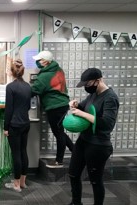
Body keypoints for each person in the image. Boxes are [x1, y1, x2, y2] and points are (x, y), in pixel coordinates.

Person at [68, 68, 119, 205]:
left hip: (98, 145)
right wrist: (76, 104)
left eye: (88, 84)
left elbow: (107, 124)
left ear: (99, 80)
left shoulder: (110, 98)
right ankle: (76, 203)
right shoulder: (93, 94)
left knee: (95, 180)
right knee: (73, 173)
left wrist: (81, 114)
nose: (86, 87)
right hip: (84, 140)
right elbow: (84, 106)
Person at [31, 50, 73, 168]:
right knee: (60, 131)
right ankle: (76, 152)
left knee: (58, 133)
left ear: (45, 62)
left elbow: (35, 90)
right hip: (62, 104)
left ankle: (59, 161)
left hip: (55, 106)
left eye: (38, 60)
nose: (37, 62)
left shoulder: (45, 75)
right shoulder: (58, 70)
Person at [3, 60, 31, 192]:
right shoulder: (28, 86)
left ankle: (16, 185)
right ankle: (23, 183)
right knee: (23, 151)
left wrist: (6, 127)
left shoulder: (10, 87)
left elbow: (9, 110)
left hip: (14, 124)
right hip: (25, 123)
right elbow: (29, 106)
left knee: (16, 154)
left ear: (11, 72)